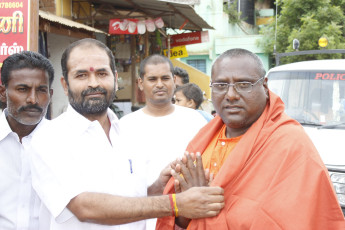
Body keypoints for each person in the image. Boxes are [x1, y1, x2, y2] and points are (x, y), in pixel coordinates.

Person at [28, 39, 224, 230]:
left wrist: (156, 188)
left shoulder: (127, 132)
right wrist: (174, 203)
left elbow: (127, 200)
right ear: (65, 84)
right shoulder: (49, 138)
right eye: (81, 76)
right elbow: (84, 207)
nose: (93, 83)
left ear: (114, 78)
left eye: (102, 73)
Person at [156, 48, 345, 230]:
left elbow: (290, 221)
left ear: (264, 86)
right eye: (221, 85)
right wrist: (188, 205)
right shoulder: (203, 138)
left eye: (243, 85)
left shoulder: (290, 144)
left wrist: (206, 207)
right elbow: (180, 219)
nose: (231, 95)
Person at [119, 55, 208, 229]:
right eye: (152, 79)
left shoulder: (196, 121)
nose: (159, 84)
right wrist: (156, 187)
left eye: (165, 78)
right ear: (140, 82)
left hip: (188, 220)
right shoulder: (124, 126)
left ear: (174, 81)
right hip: (141, 221)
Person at [0, 51, 54, 230]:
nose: (33, 99)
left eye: (41, 90)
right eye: (22, 89)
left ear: (50, 94)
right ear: (2, 93)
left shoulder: (64, 144)